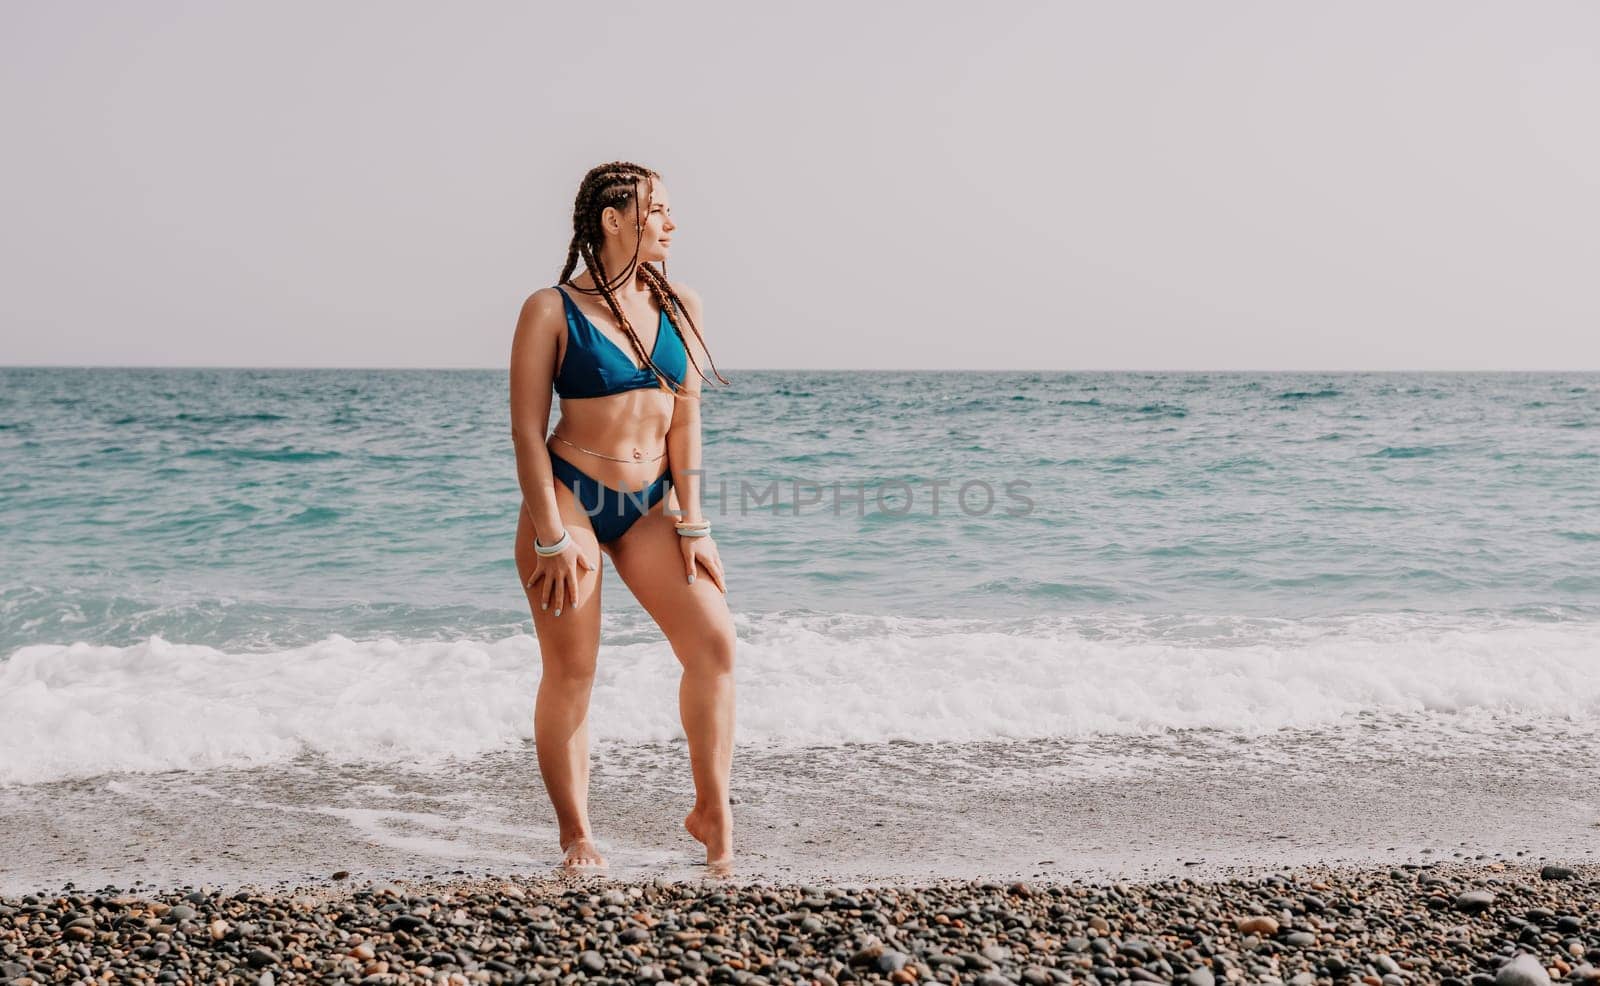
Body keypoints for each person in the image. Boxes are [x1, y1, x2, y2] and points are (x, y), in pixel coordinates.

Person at [508, 162, 736, 873]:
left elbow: (687, 421)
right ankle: (577, 835)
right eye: (658, 209)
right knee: (573, 670)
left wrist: (694, 524)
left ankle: (712, 810)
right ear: (614, 219)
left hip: (649, 507)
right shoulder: (550, 309)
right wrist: (550, 535)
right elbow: (524, 430)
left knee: (715, 645)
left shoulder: (682, 304)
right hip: (571, 494)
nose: (671, 222)